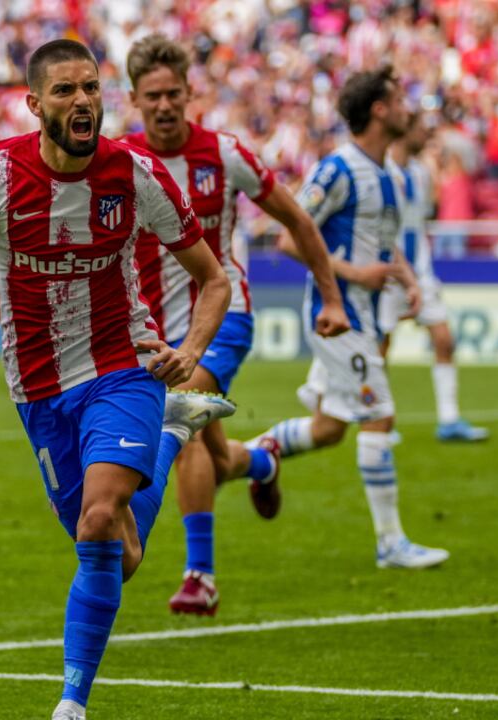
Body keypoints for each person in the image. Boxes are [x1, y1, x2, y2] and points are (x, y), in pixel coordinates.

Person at [0, 40, 234, 720]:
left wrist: (189, 351)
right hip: (39, 386)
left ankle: (71, 704)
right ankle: (169, 435)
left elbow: (213, 278)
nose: (82, 101)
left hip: (121, 367)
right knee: (116, 553)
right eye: (65, 91)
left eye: (90, 88)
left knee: (100, 514)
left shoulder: (133, 173)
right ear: (35, 104)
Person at [119, 34, 350, 616]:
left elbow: (296, 217)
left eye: (174, 93)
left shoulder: (224, 154)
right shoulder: (119, 161)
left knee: (182, 411)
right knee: (214, 456)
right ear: (135, 100)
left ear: (191, 92)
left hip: (224, 314)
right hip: (151, 334)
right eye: (154, 96)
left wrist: (331, 297)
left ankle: (201, 576)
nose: (166, 105)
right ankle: (261, 460)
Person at [244, 66, 449, 570]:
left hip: (368, 314)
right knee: (380, 416)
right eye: (401, 99)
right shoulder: (338, 170)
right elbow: (289, 238)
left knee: (331, 427)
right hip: (337, 315)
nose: (408, 109)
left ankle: (250, 454)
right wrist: (356, 271)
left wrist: (408, 279)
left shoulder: (390, 176)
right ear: (379, 110)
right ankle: (390, 544)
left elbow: (385, 244)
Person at [380, 113, 489, 442]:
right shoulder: (383, 173)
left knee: (443, 338)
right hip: (388, 274)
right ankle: (382, 422)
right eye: (419, 130)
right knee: (381, 347)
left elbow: (420, 220)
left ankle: (449, 419)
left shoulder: (420, 173)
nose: (426, 136)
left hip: (421, 270)